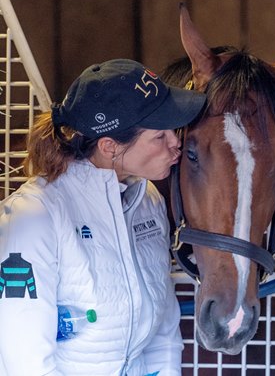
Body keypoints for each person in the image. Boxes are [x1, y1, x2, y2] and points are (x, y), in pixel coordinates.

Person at [0, 59, 206, 375]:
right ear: (109, 146)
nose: (176, 142)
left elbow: (163, 333)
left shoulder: (147, 199)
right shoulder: (33, 216)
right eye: (159, 135)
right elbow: (25, 363)